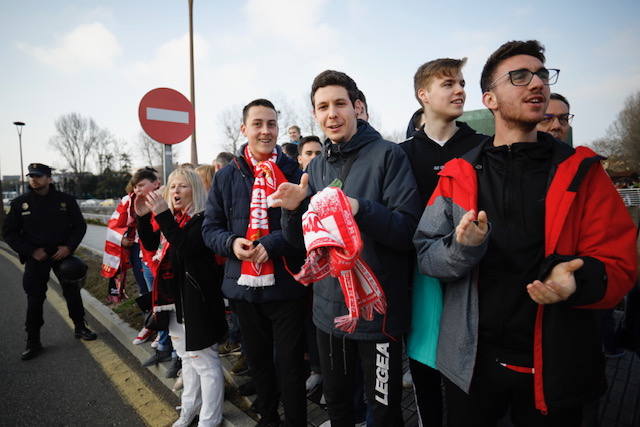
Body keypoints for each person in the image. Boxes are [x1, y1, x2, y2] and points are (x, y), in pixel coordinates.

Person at [413, 40, 637, 426]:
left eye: (541, 74)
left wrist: (577, 281)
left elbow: (621, 263)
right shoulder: (457, 174)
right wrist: (461, 248)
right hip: (472, 366)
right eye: (519, 76)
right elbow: (426, 254)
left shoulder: (584, 173)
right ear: (490, 99)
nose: (536, 83)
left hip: (557, 365)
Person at [272, 70, 421, 426]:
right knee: (337, 406)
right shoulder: (317, 166)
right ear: (315, 115)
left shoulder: (389, 155)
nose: (331, 113)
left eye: (340, 103)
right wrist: (294, 212)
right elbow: (302, 244)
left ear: (357, 107)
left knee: (382, 413)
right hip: (328, 311)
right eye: (322, 107)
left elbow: (407, 232)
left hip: (377, 315)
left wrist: (359, 208)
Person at [202, 99, 308, 427]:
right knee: (259, 362)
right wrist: (233, 244)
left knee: (290, 365)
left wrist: (272, 244)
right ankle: (267, 417)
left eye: (272, 124)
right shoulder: (226, 176)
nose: (266, 131)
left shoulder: (295, 172)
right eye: (258, 124)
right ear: (243, 128)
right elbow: (210, 228)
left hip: (287, 284)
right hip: (243, 288)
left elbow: (309, 224)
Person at [400, 57, 487, 426]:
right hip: (421, 282)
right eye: (448, 83)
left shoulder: (484, 147)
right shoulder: (401, 154)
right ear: (424, 95)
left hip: (475, 279)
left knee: (472, 383)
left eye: (461, 82)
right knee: (425, 375)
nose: (460, 90)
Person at [136, 167, 227, 427]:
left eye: (182, 186)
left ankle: (210, 420)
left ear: (195, 190)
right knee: (187, 359)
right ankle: (190, 409)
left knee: (205, 363)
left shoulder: (203, 219)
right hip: (173, 300)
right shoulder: (175, 219)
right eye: (172, 185)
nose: (175, 190)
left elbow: (185, 247)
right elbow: (153, 245)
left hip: (197, 302)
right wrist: (143, 217)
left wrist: (163, 214)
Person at [3, 163, 97, 361]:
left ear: (49, 179)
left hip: (61, 254)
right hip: (36, 257)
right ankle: (33, 341)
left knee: (72, 292)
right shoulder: (21, 203)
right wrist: (31, 251)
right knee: (35, 299)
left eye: (38, 176)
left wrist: (68, 248)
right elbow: (9, 233)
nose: (33, 179)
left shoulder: (65, 201)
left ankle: (80, 327)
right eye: (31, 176)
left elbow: (79, 226)